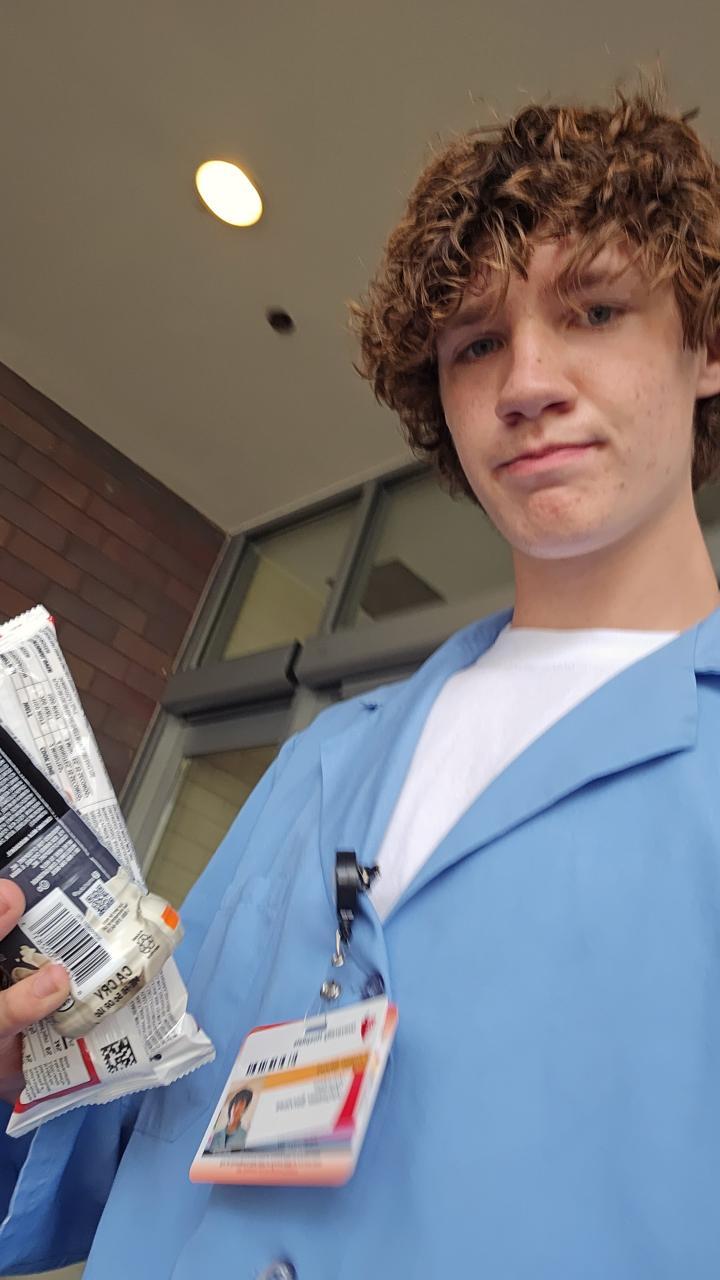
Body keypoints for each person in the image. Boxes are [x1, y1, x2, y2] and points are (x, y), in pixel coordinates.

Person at [2, 82, 720, 1279]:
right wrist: (23, 1051)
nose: (526, 380)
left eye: (595, 310)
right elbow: (115, 1137)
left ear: (707, 345)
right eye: (475, 342)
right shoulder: (322, 762)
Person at [205, 1088, 254, 1153]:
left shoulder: (245, 1136)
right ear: (230, 1107)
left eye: (241, 1105)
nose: (237, 1109)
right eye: (236, 1104)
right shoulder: (216, 1135)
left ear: (244, 1110)